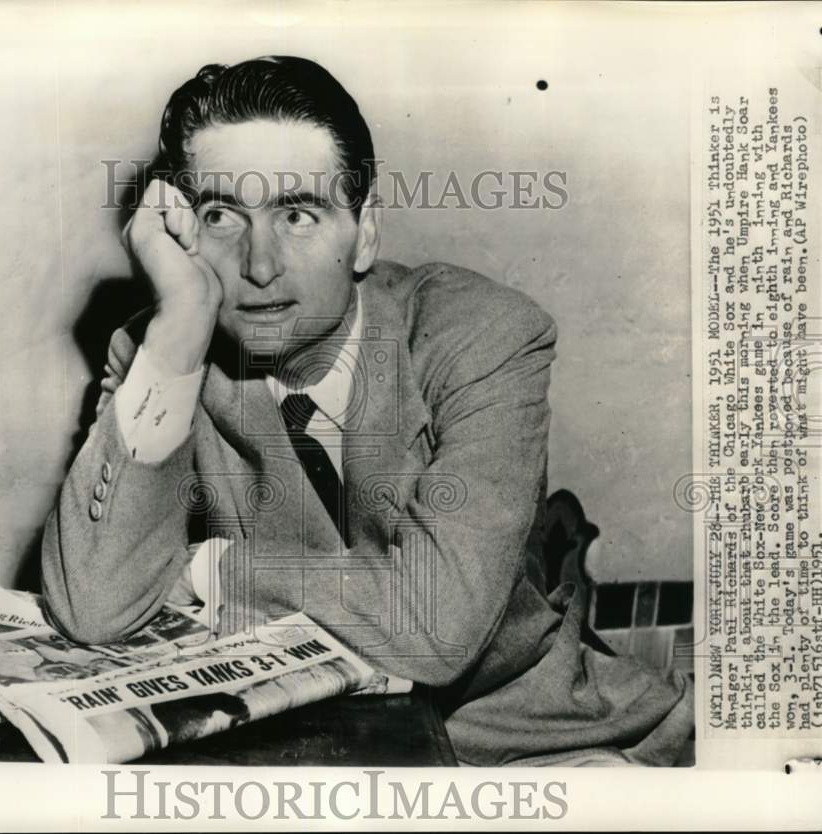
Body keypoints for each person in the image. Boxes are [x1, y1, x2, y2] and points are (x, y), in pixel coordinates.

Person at [41, 55, 693, 765]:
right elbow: (94, 606)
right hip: (299, 758)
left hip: (522, 752)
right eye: (221, 214)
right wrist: (179, 329)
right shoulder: (161, 349)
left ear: (365, 232)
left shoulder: (482, 334)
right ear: (182, 231)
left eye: (298, 213)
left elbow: (435, 628)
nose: (260, 265)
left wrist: (207, 573)